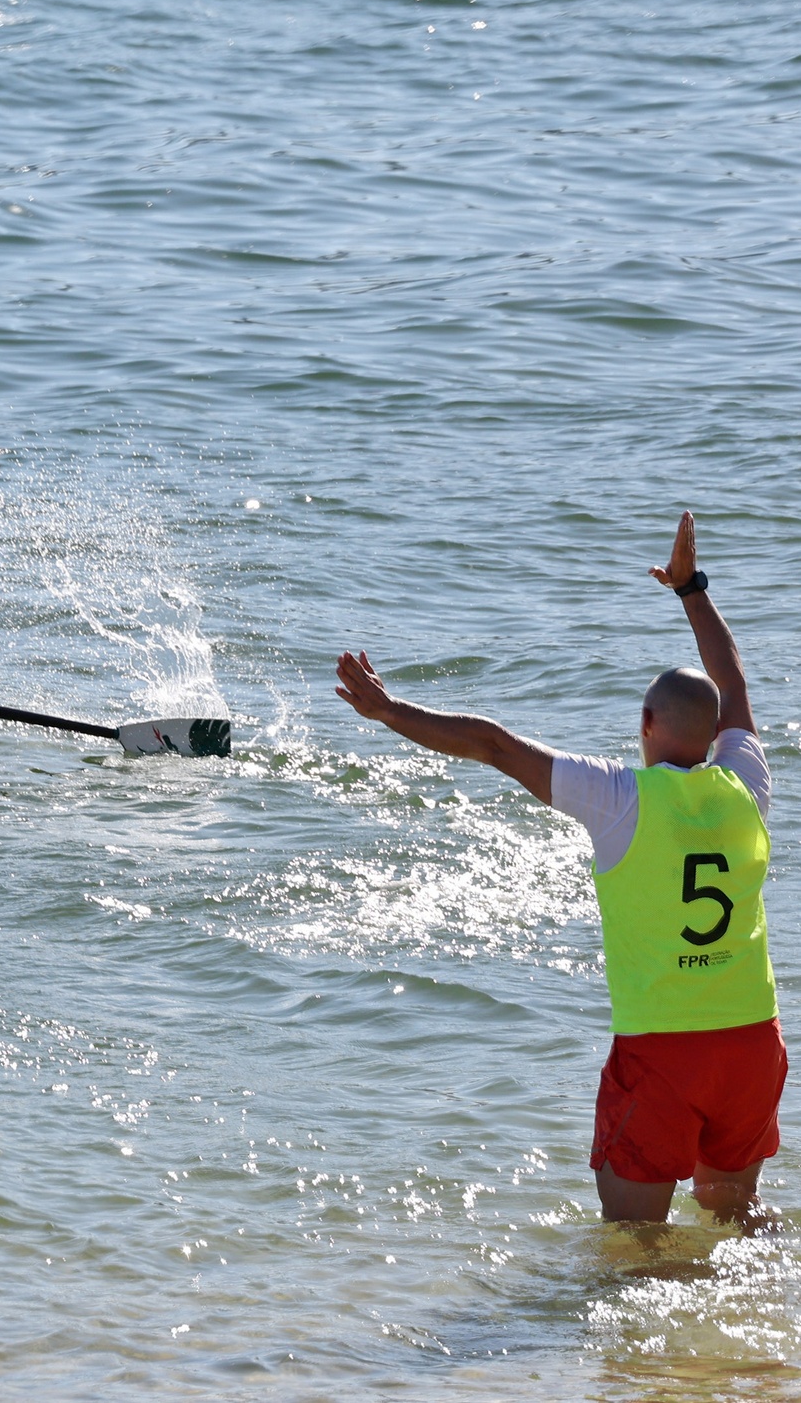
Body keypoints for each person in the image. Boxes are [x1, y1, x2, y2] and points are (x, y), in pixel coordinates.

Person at [334, 512, 779, 1227]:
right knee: (735, 1216)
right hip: (751, 1041)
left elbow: (493, 746)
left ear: (643, 724)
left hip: (662, 1048)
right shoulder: (746, 783)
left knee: (634, 1243)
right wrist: (690, 589)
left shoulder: (620, 799)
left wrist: (388, 711)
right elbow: (731, 680)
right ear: (715, 733)